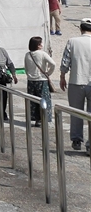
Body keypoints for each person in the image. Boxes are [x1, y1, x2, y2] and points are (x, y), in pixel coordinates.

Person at [59, 18, 91, 152]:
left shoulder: (72, 41)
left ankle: (76, 139)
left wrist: (62, 76)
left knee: (76, 112)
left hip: (76, 80)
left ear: (80, 28)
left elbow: (65, 61)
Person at [24, 36, 55, 127]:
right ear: (38, 45)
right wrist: (48, 73)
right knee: (44, 99)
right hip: (41, 79)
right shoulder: (42, 54)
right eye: (40, 43)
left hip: (31, 80)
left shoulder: (27, 54)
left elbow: (26, 68)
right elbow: (53, 64)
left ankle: (36, 119)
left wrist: (29, 75)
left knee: (33, 101)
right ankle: (44, 118)